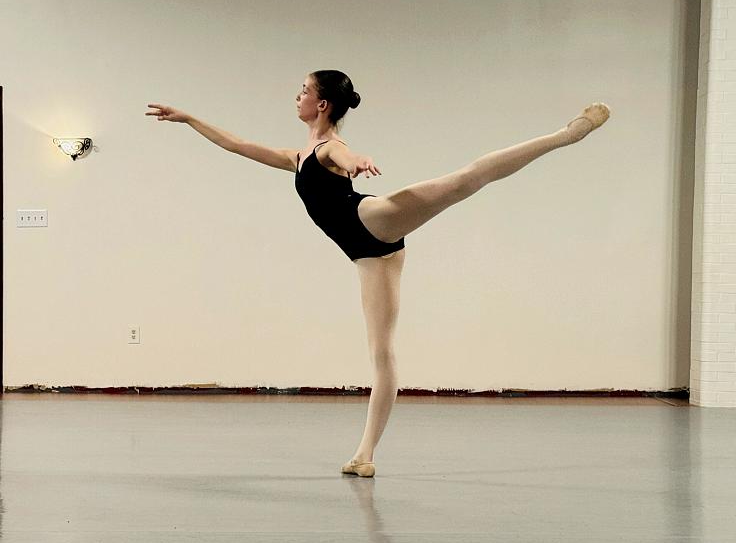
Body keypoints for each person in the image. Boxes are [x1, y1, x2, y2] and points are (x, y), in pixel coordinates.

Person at [146, 69, 610, 478]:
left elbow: (346, 157)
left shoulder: (330, 147)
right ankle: (364, 455)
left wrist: (360, 162)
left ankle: (564, 136)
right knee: (381, 354)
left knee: (466, 179)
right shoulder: (299, 156)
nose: (297, 96)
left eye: (303, 89)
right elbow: (237, 145)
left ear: (322, 104)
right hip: (368, 255)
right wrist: (189, 119)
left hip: (372, 219)